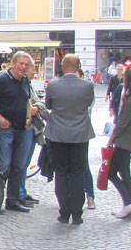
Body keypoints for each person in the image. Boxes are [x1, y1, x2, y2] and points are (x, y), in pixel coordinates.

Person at [44, 54, 96, 225]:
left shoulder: (53, 86)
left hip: (58, 134)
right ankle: (77, 213)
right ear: (78, 66)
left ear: (63, 66)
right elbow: (87, 104)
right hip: (79, 135)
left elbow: (49, 105)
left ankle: (64, 212)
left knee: (61, 173)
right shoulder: (87, 86)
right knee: (77, 173)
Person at [0, 51, 34, 213]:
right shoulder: (2, 81)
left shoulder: (25, 81)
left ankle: (13, 200)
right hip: (6, 129)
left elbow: (27, 101)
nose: (24, 67)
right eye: (21, 64)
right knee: (3, 166)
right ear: (13, 63)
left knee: (19, 166)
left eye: (27, 64)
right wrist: (1, 120)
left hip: (22, 129)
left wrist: (28, 118)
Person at [106, 67, 131, 220]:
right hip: (129, 141)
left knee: (112, 173)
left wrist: (111, 139)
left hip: (124, 142)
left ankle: (129, 204)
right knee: (124, 173)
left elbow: (122, 123)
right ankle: (130, 205)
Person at [18, 57, 41, 206]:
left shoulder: (29, 85)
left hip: (31, 128)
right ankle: (19, 193)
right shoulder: (24, 86)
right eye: (33, 69)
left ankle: (22, 191)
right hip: (26, 127)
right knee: (21, 162)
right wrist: (39, 106)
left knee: (25, 162)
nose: (35, 72)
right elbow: (31, 109)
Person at [77, 68, 96, 209]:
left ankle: (90, 195)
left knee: (84, 164)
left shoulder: (87, 90)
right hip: (68, 133)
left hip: (82, 132)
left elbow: (86, 109)